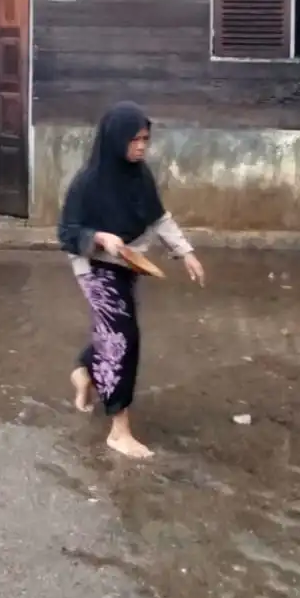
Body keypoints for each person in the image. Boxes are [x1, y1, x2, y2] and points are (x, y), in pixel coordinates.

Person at [58, 101, 204, 458]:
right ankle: (118, 430)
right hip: (93, 266)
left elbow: (158, 218)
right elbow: (67, 232)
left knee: (114, 335)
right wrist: (101, 238)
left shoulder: (140, 174)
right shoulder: (88, 183)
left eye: (145, 139)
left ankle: (84, 372)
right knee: (122, 339)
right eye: (135, 140)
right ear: (115, 140)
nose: (141, 146)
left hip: (128, 262)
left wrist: (186, 252)